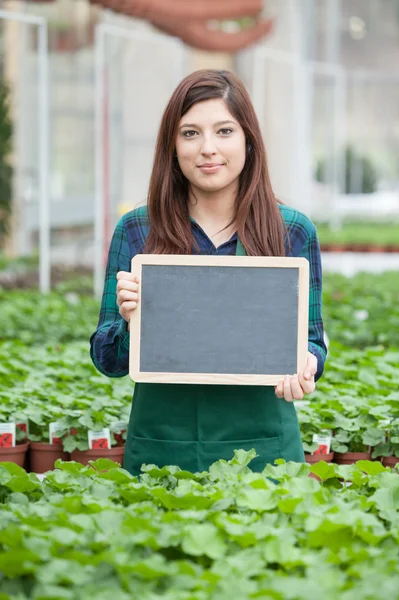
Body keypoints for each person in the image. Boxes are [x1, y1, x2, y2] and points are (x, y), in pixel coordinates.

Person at [90, 69, 327, 476]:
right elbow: (107, 359)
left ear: (249, 141)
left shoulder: (292, 230)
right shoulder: (137, 229)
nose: (207, 149)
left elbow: (312, 341)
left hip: (264, 450)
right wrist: (130, 323)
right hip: (162, 448)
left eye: (223, 131)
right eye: (190, 133)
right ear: (172, 146)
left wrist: (307, 364)